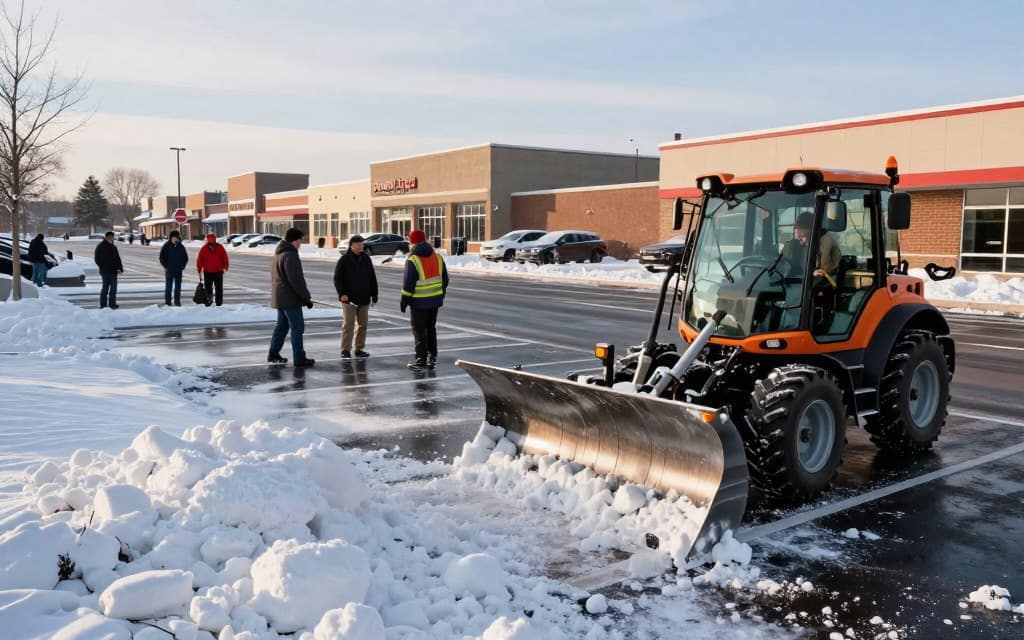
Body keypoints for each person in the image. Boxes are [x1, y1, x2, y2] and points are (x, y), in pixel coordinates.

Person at [401, 229, 449, 371]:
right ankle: (432, 356)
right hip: (434, 301)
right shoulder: (437, 257)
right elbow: (445, 280)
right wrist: (440, 295)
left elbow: (409, 284)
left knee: (419, 331)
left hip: (418, 302)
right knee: (431, 328)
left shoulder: (413, 259)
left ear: (412, 242)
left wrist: (404, 301)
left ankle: (421, 359)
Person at [269, 228, 315, 367]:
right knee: (297, 328)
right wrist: (306, 298)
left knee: (282, 326)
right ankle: (299, 358)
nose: (301, 243)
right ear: (295, 240)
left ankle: (273, 353)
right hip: (290, 299)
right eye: (301, 240)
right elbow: (295, 279)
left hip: (280, 297)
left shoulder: (278, 253)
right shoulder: (290, 255)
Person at [333, 234, 379, 359]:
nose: (361, 246)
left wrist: (374, 294)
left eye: (362, 244)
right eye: (359, 244)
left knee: (363, 324)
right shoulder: (344, 260)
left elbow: (372, 277)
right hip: (349, 299)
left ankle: (359, 348)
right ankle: (345, 349)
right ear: (352, 246)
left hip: (364, 297)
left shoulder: (366, 259)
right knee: (348, 324)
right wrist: (342, 293)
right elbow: (337, 279)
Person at [783, 211, 841, 281]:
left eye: (802, 237)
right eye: (797, 238)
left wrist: (815, 274)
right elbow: (783, 265)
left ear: (813, 232)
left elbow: (826, 272)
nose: (800, 243)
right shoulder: (794, 245)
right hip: (797, 283)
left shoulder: (826, 244)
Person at [196, 233, 229, 306]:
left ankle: (209, 301)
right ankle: (219, 303)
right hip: (218, 271)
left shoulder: (204, 248)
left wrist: (199, 269)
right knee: (219, 288)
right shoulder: (220, 247)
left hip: (208, 272)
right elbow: (225, 257)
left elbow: (200, 260)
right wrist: (225, 267)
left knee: (208, 288)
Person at [94, 231, 124, 309]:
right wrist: (103, 266)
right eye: (112, 237)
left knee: (113, 288)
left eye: (113, 237)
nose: (113, 238)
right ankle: (103, 304)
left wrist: (120, 268)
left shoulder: (113, 247)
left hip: (113, 271)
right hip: (105, 271)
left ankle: (112, 304)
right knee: (105, 288)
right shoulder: (101, 246)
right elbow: (97, 259)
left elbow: (117, 258)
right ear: (108, 237)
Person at [159, 230, 189, 306]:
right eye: (175, 237)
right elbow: (162, 257)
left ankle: (177, 301)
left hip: (178, 270)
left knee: (178, 287)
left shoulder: (180, 246)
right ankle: (168, 302)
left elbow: (185, 258)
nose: (177, 239)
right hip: (169, 270)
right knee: (168, 287)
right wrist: (165, 266)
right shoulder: (166, 246)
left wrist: (182, 266)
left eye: (177, 237)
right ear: (172, 237)